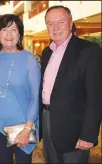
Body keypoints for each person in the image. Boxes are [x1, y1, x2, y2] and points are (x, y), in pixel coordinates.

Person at [40, 5, 102, 163]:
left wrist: (88, 135)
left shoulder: (89, 50)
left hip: (75, 129)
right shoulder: (47, 53)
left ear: (70, 22)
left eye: (60, 21)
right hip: (48, 121)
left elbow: (95, 97)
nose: (56, 27)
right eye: (50, 23)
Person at [0, 14, 41, 163]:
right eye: (4, 29)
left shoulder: (29, 59)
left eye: (14, 30)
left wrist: (28, 128)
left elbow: (35, 96)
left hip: (22, 125)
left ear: (20, 34)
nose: (9, 34)